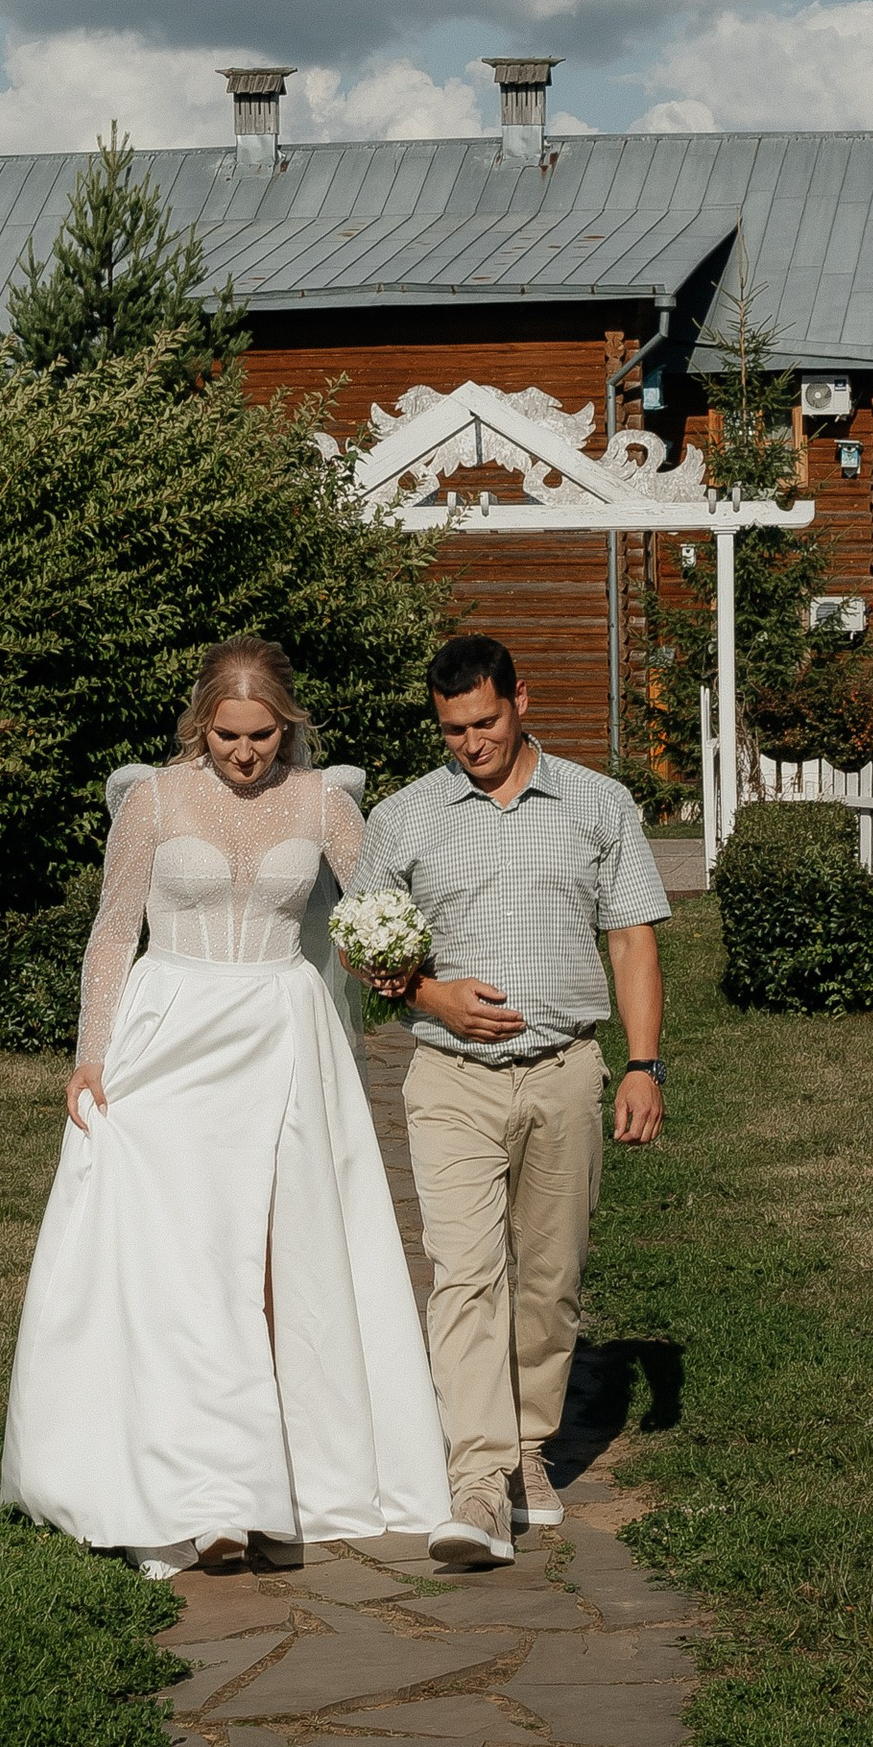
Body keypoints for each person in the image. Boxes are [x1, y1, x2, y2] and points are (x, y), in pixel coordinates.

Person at [2, 639, 452, 1580]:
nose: (245, 754)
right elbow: (113, 932)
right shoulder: (154, 802)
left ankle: (282, 1472)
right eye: (227, 735)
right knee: (186, 1261)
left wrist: (405, 957)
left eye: (262, 735)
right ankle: (206, 1487)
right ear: (197, 722)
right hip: (170, 1037)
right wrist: (90, 1056)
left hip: (285, 1032)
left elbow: (377, 908)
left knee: (285, 1253)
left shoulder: (325, 800)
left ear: (286, 722)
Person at [353, 635, 671, 1571]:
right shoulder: (405, 817)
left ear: (521, 700)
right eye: (454, 729)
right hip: (450, 1078)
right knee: (462, 1272)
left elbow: (633, 940)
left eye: (485, 722)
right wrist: (429, 994)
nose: (471, 743)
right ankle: (479, 1481)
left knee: (549, 1278)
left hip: (566, 1070)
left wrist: (644, 1064)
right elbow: (364, 947)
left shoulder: (596, 803)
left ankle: (530, 1443)